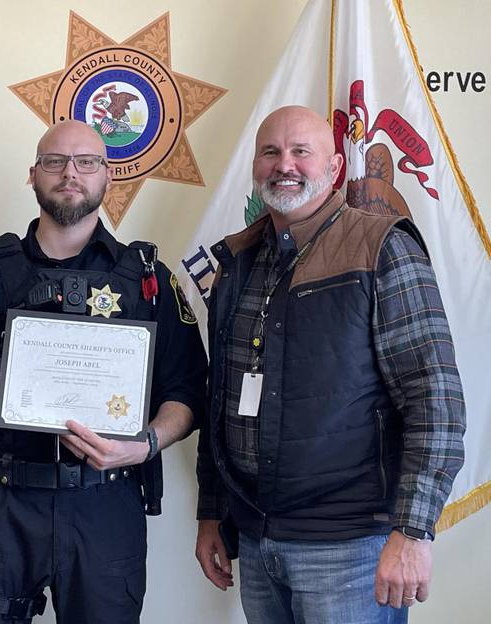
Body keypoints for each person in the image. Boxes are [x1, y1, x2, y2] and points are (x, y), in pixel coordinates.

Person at [0, 119, 207, 623]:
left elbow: (187, 391)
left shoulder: (147, 280)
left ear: (108, 176)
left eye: (86, 162)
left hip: (104, 507)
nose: (71, 173)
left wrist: (144, 445)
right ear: (33, 174)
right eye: (55, 162)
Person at [194, 105, 465, 623]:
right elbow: (220, 399)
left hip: (350, 549)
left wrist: (412, 532)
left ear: (335, 167)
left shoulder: (383, 247)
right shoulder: (237, 262)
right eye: (271, 152)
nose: (284, 165)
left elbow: (435, 395)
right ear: (255, 167)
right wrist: (212, 513)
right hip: (256, 539)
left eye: (302, 152)